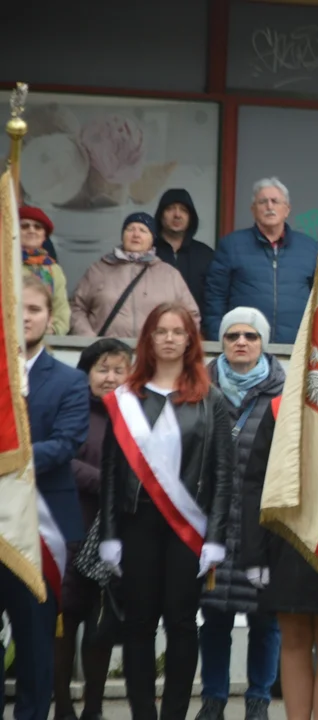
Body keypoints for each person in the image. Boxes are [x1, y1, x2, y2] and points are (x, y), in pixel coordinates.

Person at [98, 303, 233, 720]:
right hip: (137, 524)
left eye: (178, 331)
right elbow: (110, 473)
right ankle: (143, 713)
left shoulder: (211, 400)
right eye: (161, 331)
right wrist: (109, 535)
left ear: (191, 339)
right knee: (138, 624)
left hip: (187, 529)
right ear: (149, 339)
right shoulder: (125, 399)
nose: (170, 338)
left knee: (180, 622)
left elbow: (223, 473)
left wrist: (214, 536)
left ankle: (174, 712)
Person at [0, 276, 89, 720]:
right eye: (17, 310)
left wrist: (8, 458)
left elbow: (66, 443)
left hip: (41, 530)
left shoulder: (70, 381)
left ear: (48, 317)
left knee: (36, 644)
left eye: (33, 309)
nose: (25, 318)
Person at [197, 308, 286, 720]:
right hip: (211, 521)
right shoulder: (199, 387)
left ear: (263, 342)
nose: (241, 342)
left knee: (265, 620)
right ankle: (213, 697)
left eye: (251, 335)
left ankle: (258, 700)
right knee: (214, 615)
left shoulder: (282, 391)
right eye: (232, 335)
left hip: (261, 524)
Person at [241, 404, 318, 720]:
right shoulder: (280, 407)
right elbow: (255, 483)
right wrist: (255, 552)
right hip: (287, 538)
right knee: (293, 636)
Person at [54, 339, 132, 720]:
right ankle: (64, 706)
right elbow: (58, 458)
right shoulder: (71, 409)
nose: (111, 378)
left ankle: (94, 709)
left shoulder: (137, 414)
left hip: (116, 537)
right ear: (86, 373)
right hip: (70, 528)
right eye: (103, 369)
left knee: (101, 627)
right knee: (65, 623)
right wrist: (107, 483)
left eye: (120, 370)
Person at [203, 177, 318, 343]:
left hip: (296, 349)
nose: (269, 206)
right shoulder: (231, 245)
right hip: (243, 346)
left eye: (275, 201)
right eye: (263, 202)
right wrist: (219, 339)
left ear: (287, 209)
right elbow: (214, 299)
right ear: (253, 209)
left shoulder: (309, 248)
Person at [70, 213, 200, 338]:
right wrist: (89, 339)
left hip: (153, 355)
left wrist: (175, 344)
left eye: (143, 230)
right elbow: (76, 308)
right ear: (122, 236)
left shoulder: (170, 275)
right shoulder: (99, 270)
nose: (136, 235)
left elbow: (191, 316)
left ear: (152, 239)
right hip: (108, 355)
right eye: (130, 229)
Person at [154, 188, 216, 319]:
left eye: (183, 210)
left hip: (197, 331)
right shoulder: (149, 252)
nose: (177, 215)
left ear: (191, 217)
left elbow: (214, 299)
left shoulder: (206, 254)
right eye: (170, 208)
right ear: (161, 215)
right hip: (153, 330)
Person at [20, 206, 71, 335]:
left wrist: (54, 330)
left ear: (44, 236)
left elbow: (61, 309)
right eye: (25, 226)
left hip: (44, 340)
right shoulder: (5, 264)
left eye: (37, 227)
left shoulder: (53, 269)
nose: (31, 230)